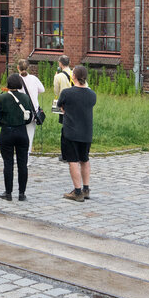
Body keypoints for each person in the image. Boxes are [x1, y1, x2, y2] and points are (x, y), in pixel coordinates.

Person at [57, 66, 97, 202]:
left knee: (73, 161)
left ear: (73, 76)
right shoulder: (92, 94)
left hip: (71, 131)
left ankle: (77, 191)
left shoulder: (67, 93)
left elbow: (60, 106)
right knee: (85, 159)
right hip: (86, 132)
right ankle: (86, 189)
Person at [0, 73, 36, 201]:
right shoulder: (25, 98)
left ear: (8, 84)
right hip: (22, 132)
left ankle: (8, 193)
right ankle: (22, 193)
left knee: (8, 163)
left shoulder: (2, 98)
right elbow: (29, 117)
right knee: (22, 164)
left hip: (7, 132)